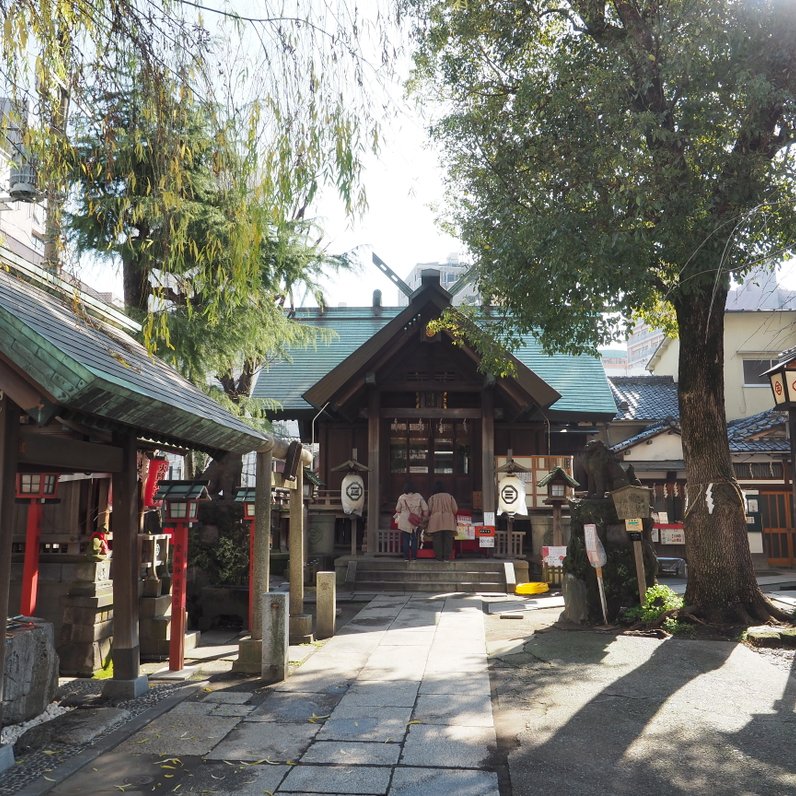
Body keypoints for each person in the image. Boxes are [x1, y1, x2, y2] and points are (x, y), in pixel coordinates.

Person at [395, 481, 428, 560]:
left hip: (404, 520)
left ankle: (406, 557)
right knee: (414, 539)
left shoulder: (401, 497)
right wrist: (424, 517)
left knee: (406, 539)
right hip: (415, 520)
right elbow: (425, 508)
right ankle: (414, 557)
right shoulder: (419, 496)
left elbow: (397, 509)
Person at [426, 481, 458, 561]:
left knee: (437, 539)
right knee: (448, 539)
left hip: (436, 521)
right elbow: (455, 509)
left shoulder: (432, 498)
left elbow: (429, 509)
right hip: (448, 520)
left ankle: (439, 557)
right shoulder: (450, 496)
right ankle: (447, 557)